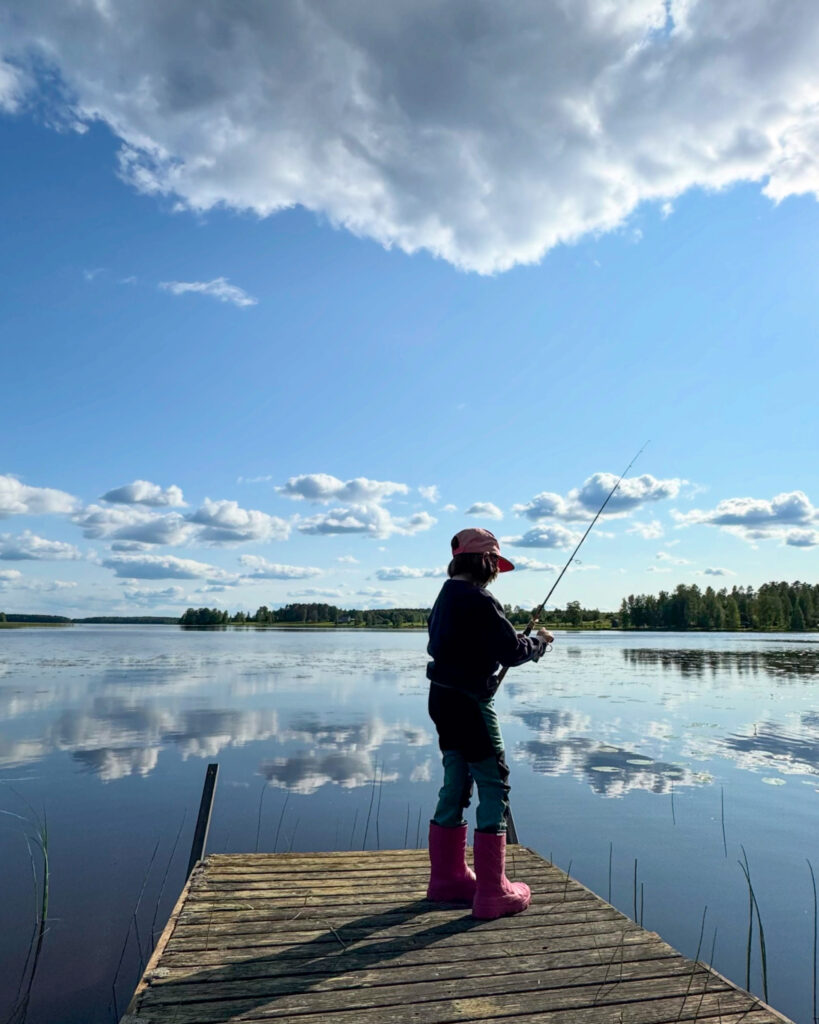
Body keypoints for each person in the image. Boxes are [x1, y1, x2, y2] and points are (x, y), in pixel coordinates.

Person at [425, 527, 553, 919]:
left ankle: (447, 879)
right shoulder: (481, 600)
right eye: (495, 564)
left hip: (442, 699)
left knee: (456, 779)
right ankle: (494, 892)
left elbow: (469, 643)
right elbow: (511, 651)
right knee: (494, 782)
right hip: (471, 704)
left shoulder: (445, 597)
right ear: (485, 562)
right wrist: (540, 643)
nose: (496, 572)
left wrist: (513, 642)